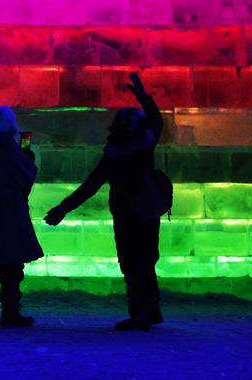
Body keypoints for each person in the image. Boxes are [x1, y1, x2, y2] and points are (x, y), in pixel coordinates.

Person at [44, 73, 164, 331]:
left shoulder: (117, 154)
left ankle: (140, 314)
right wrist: (144, 99)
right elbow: (156, 121)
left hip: (128, 213)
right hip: (147, 209)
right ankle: (149, 310)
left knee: (133, 263)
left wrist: (63, 208)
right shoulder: (144, 146)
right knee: (145, 261)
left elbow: (91, 185)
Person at [0, 98, 43, 328]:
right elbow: (25, 177)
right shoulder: (8, 151)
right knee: (13, 264)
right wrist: (28, 159)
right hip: (12, 210)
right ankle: (11, 312)